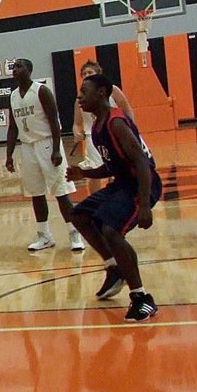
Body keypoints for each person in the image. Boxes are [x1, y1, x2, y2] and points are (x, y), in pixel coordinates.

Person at [66, 73, 162, 322]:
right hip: (122, 182)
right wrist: (83, 172)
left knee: (111, 229)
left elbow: (141, 162)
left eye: (84, 90)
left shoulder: (116, 122)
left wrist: (144, 204)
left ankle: (142, 298)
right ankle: (114, 268)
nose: (79, 96)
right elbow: (112, 166)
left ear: (101, 93)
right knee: (79, 215)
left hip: (143, 183)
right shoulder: (97, 127)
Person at [5, 58, 84, 252]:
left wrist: (57, 149)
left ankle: (74, 233)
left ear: (29, 70)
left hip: (47, 143)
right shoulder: (13, 96)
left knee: (60, 191)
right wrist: (9, 155)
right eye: (14, 67)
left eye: (19, 66)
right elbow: (12, 127)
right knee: (36, 193)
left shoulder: (41, 91)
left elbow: (54, 122)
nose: (15, 69)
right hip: (27, 147)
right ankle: (44, 235)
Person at [71, 61, 135, 192]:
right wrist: (77, 132)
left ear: (98, 74)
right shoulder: (79, 99)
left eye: (90, 72)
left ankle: (117, 191)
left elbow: (126, 109)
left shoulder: (113, 90)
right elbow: (77, 123)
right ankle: (94, 197)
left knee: (115, 165)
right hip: (91, 136)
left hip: (112, 132)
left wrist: (131, 127)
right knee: (94, 169)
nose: (86, 75)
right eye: (84, 73)